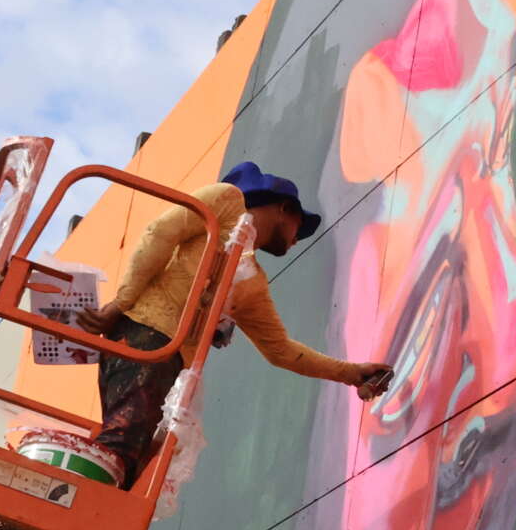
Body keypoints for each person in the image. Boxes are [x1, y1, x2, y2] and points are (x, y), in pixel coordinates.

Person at [76, 160, 393, 487]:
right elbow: (160, 232)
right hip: (144, 334)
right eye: (301, 226)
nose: (299, 239)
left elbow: (281, 351)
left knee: (131, 460)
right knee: (123, 444)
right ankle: (75, 506)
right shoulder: (228, 201)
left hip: (168, 363)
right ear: (283, 209)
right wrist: (119, 304)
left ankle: (83, 510)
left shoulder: (251, 280)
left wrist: (351, 373)